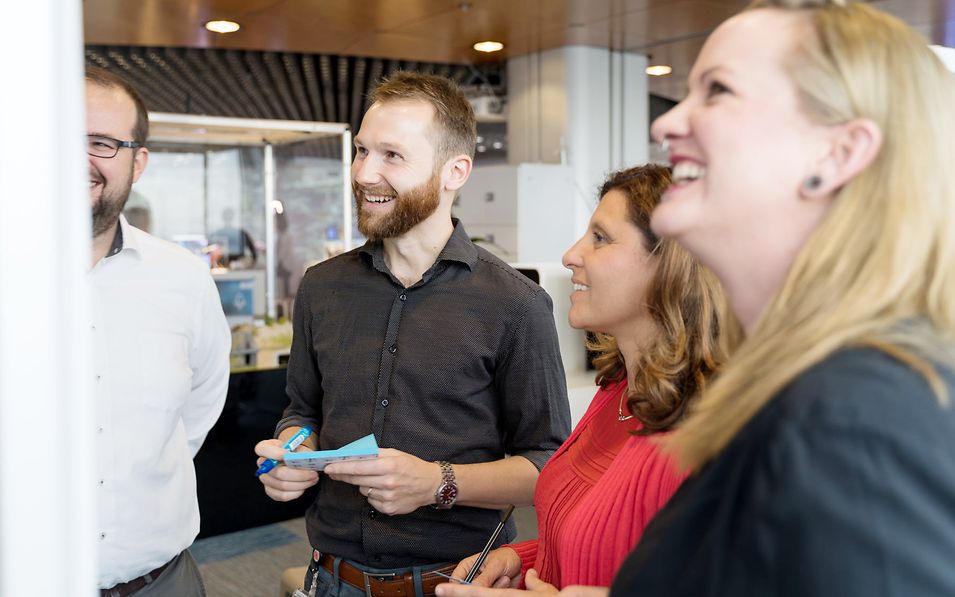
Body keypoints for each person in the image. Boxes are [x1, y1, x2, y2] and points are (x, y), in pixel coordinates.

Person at [607, 1, 955, 596]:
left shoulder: (856, 414)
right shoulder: (809, 389)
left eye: (717, 91)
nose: (666, 123)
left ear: (837, 154)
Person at [254, 71, 571, 597]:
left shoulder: (516, 304)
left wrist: (438, 483)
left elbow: (547, 467)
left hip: (457, 582)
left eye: (391, 156)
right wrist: (291, 453)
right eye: (361, 151)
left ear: (455, 172)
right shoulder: (322, 287)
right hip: (332, 578)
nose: (363, 173)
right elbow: (303, 413)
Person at [434, 166, 732, 597]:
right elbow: (612, 551)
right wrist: (526, 557)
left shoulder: (710, 431)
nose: (571, 255)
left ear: (671, 266)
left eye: (601, 238)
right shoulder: (617, 391)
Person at [86, 66, 232, 596]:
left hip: (158, 582)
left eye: (102, 142)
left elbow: (201, 403)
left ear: (138, 162)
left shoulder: (182, 276)